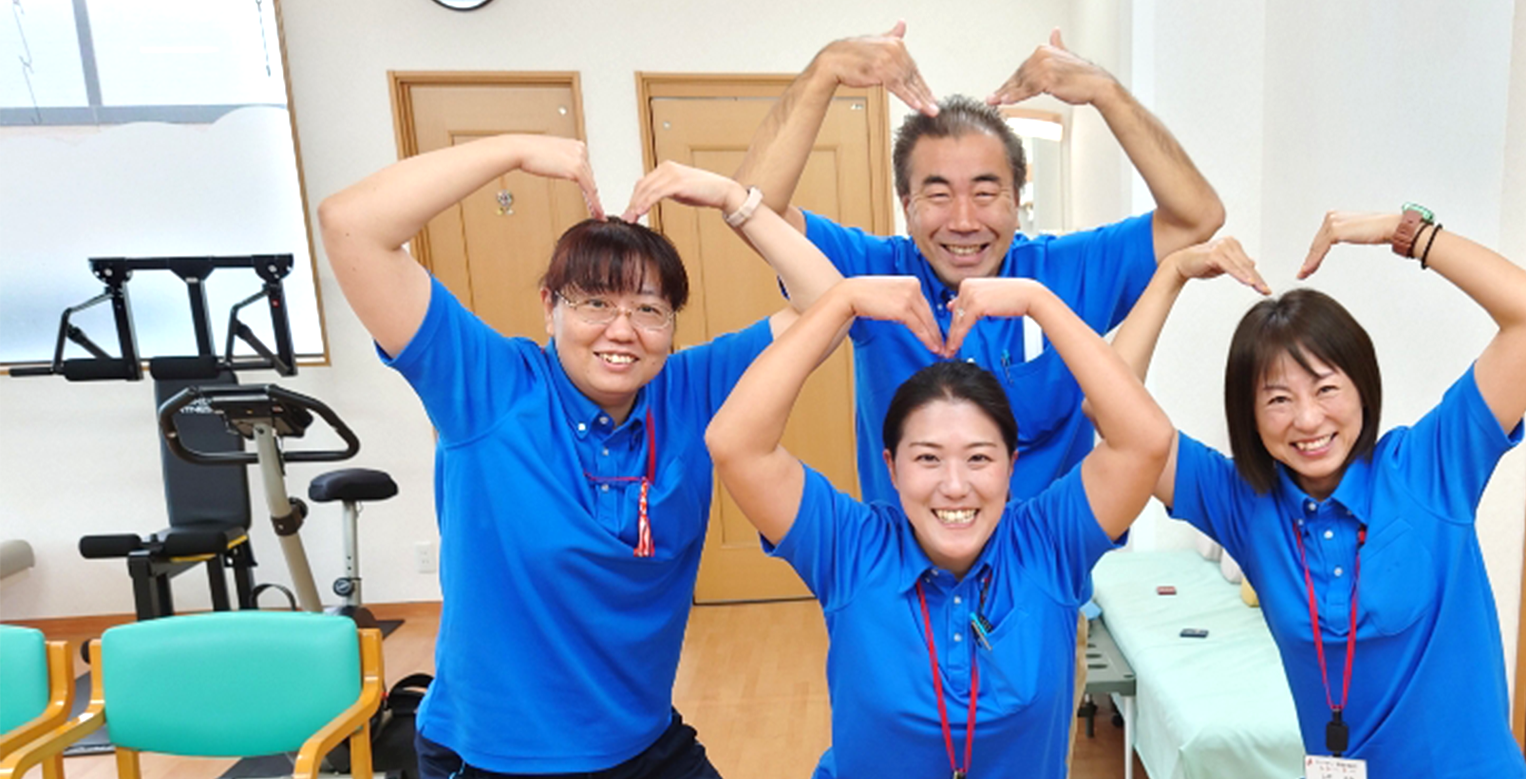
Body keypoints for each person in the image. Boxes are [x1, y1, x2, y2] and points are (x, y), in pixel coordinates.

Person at [318, 135, 839, 777]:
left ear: (673, 325)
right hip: (497, 759)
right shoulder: (489, 388)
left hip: (644, 745)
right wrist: (512, 151)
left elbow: (830, 306)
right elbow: (351, 226)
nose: (622, 330)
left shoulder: (689, 391)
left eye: (649, 310)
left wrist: (735, 200)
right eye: (595, 303)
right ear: (549, 309)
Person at [1110, 210, 1526, 777]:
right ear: (1249, 415)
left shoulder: (1429, 466)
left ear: (1362, 388)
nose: (1307, 419)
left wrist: (1407, 232)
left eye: (1326, 388)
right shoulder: (1244, 502)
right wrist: (1172, 272)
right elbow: (1110, 411)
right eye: (1277, 399)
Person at [723, 23, 1224, 505]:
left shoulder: (1063, 273)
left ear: (1017, 197)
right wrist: (823, 71)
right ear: (906, 203)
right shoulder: (872, 273)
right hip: (905, 582)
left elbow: (1196, 218)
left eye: (986, 193)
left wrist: (1105, 91)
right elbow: (753, 213)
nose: (964, 221)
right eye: (938, 194)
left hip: (1042, 579)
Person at [704, 275, 1173, 779]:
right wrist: (841, 302)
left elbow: (1146, 441)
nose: (954, 486)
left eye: (978, 458)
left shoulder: (1049, 542)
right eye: (928, 458)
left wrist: (1040, 303)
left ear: (1011, 466)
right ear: (892, 467)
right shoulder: (850, 547)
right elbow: (735, 443)